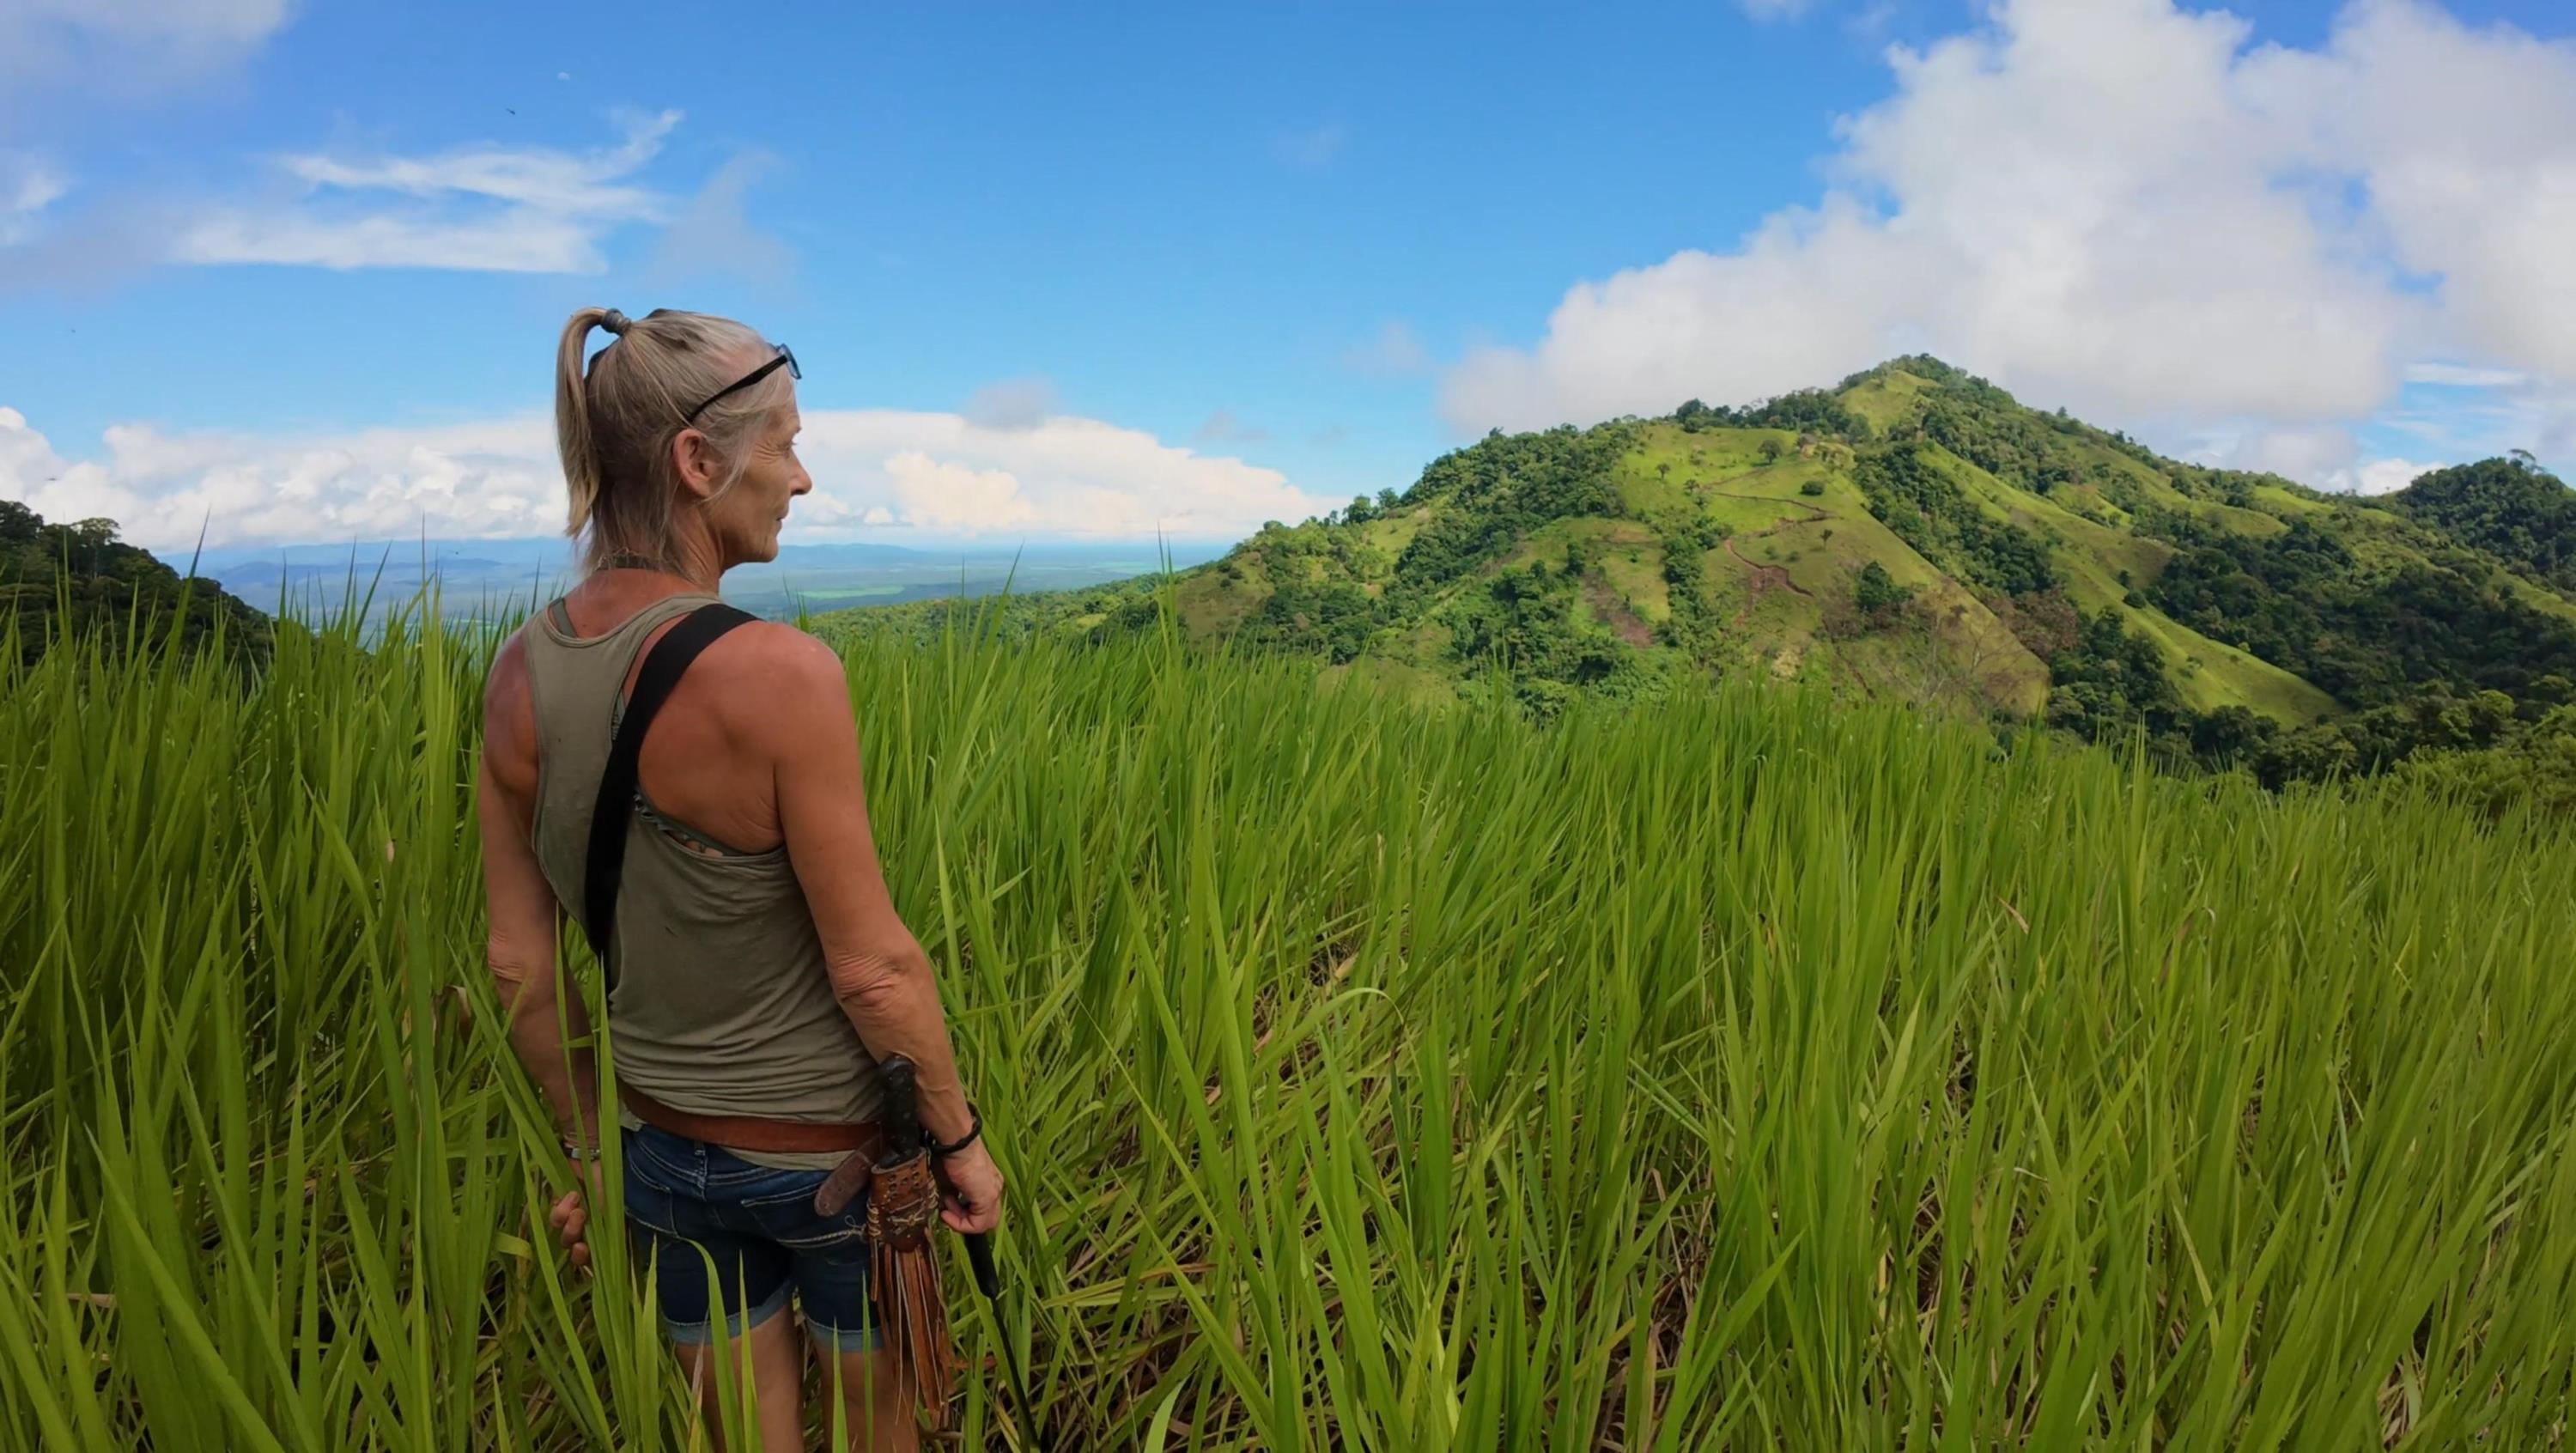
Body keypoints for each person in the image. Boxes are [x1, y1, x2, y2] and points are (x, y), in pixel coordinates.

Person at [476, 306, 1003, 1452]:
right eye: (787, 445)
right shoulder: (780, 675)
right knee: (879, 1427)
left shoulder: (514, 677)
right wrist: (960, 1142)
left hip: (658, 1159)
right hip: (830, 1170)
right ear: (699, 463)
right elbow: (874, 968)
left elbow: (518, 965)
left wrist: (593, 1155)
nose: (803, 479)